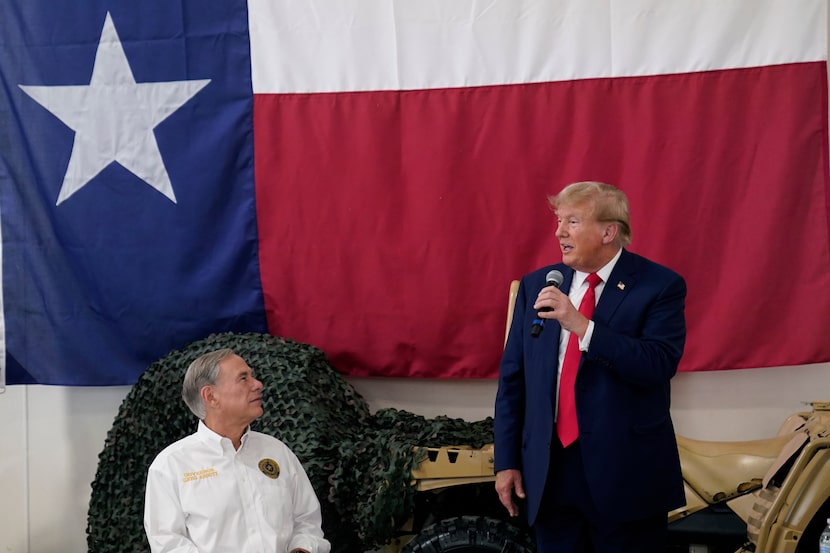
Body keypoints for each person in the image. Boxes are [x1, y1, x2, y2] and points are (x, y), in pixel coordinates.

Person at [494, 181, 686, 553]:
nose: (559, 232)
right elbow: (513, 380)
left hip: (625, 475)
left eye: (572, 221)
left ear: (608, 231)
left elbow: (657, 364)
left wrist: (583, 327)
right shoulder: (538, 286)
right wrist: (507, 461)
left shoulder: (659, 286)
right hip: (549, 472)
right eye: (559, 221)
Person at [144, 348, 331, 553]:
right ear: (211, 396)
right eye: (243, 378)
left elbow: (307, 522)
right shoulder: (171, 465)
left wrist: (302, 549)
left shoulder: (277, 452)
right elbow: (168, 545)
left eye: (252, 376)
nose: (258, 384)